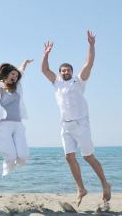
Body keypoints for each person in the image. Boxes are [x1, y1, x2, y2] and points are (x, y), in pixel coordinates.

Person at [41, 30, 111, 207]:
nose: (65, 72)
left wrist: (91, 45)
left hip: (82, 125)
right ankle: (81, 188)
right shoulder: (56, 83)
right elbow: (44, 70)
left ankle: (105, 184)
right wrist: (46, 54)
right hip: (65, 126)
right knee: (69, 157)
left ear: (72, 72)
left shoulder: (78, 81)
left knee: (88, 157)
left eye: (68, 70)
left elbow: (89, 63)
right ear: (60, 73)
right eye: (63, 70)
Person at [0, 60, 33, 176]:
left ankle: (14, 163)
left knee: (23, 156)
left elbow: (21, 71)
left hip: (18, 124)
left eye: (16, 75)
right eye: (12, 74)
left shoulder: (18, 87)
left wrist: (25, 62)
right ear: (6, 75)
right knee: (10, 155)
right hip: (4, 125)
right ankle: (7, 164)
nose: (15, 77)